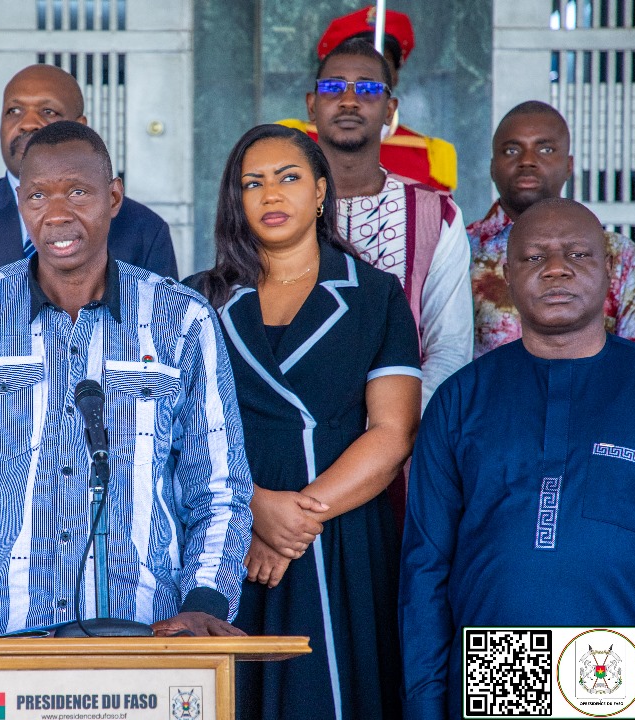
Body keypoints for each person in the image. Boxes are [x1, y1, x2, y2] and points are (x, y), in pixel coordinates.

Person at [0, 121, 253, 686]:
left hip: (149, 647)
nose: (56, 213)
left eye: (77, 191)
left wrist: (206, 601)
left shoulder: (180, 319)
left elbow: (220, 488)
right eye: (36, 195)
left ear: (114, 198)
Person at [186, 124, 420, 720]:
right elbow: (172, 436)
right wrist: (254, 508)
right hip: (224, 544)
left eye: (288, 178)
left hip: (338, 536)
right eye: (253, 183)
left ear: (320, 191)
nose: (271, 195)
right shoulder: (195, 299)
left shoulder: (375, 295)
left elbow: (393, 433)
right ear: (235, 202)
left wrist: (294, 520)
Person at [401, 198, 635, 720]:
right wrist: (424, 706)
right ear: (506, 278)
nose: (556, 268)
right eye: (534, 258)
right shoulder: (460, 400)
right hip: (500, 662)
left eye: (578, 254)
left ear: (609, 270)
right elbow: (425, 570)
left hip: (623, 654)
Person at [0, 63, 178, 335]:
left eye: (48, 111)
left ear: (81, 128)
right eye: (14, 111)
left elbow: (164, 340)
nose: (28, 123)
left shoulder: (144, 229)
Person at [306, 38, 472, 413]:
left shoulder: (436, 214)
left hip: (401, 444)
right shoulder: (275, 208)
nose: (349, 100)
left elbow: (450, 349)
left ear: (389, 110)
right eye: (333, 87)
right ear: (311, 105)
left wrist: (390, 432)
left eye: (367, 88)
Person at [469, 100, 635, 356]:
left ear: (568, 165)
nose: (527, 161)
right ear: (491, 167)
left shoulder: (618, 253)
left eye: (545, 149)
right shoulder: (461, 248)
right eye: (511, 151)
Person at [278, 6, 458, 192]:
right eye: (337, 84)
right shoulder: (293, 142)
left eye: (372, 80)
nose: (350, 100)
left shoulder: (428, 155)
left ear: (394, 77)